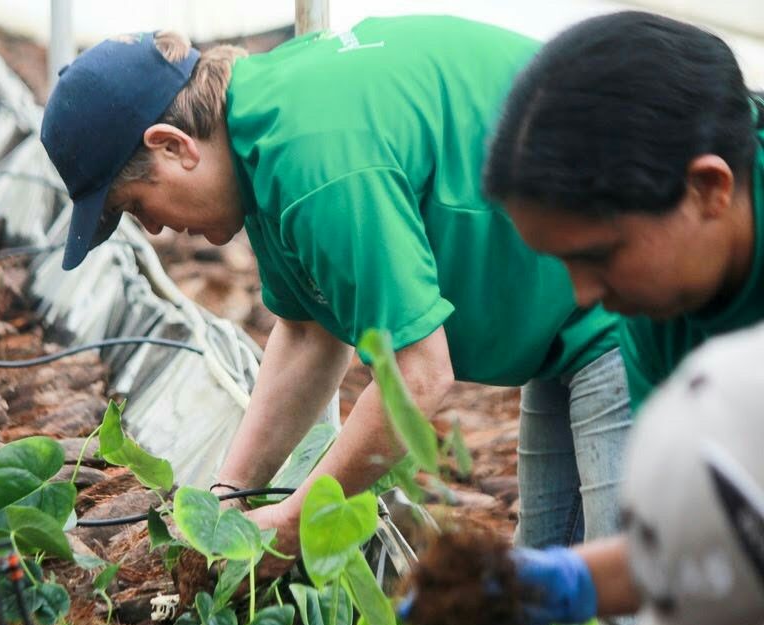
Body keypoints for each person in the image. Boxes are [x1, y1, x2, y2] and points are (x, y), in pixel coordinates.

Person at [39, 19, 631, 578]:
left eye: (137, 205)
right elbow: (307, 335)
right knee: (555, 598)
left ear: (173, 146)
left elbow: (419, 373)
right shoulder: (263, 132)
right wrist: (226, 501)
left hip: (632, 289)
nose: (155, 230)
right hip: (568, 318)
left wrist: (298, 521)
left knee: (622, 612)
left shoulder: (315, 160)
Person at [402, 11, 764, 625]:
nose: (583, 294)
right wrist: (553, 583)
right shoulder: (657, 312)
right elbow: (697, 539)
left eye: (599, 255)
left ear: (709, 188)